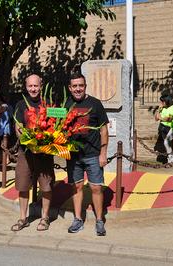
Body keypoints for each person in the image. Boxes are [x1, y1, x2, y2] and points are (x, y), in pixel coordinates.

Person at [65, 73, 109, 236]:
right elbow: (56, 127)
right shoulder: (65, 104)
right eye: (74, 86)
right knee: (76, 187)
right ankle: (78, 220)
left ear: (85, 86)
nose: (78, 89)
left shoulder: (95, 104)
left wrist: (103, 153)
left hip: (92, 154)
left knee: (96, 188)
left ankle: (99, 221)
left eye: (80, 86)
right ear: (70, 88)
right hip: (73, 155)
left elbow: (104, 129)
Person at [11, 73, 55, 232]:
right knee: (23, 186)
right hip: (26, 152)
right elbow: (18, 128)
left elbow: (59, 126)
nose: (33, 89)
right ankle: (23, 218)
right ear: (26, 86)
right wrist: (29, 140)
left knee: (46, 187)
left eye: (36, 86)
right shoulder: (20, 105)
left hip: (45, 152)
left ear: (41, 85)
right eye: (30, 86)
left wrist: (45, 140)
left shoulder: (50, 104)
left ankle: (45, 217)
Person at [155, 94, 173, 163]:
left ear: (166, 101)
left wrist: (160, 118)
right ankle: (172, 158)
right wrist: (159, 109)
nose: (161, 103)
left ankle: (170, 160)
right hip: (163, 127)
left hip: (171, 128)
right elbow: (156, 118)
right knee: (169, 144)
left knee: (166, 142)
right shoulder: (162, 108)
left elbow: (169, 119)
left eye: (162, 102)